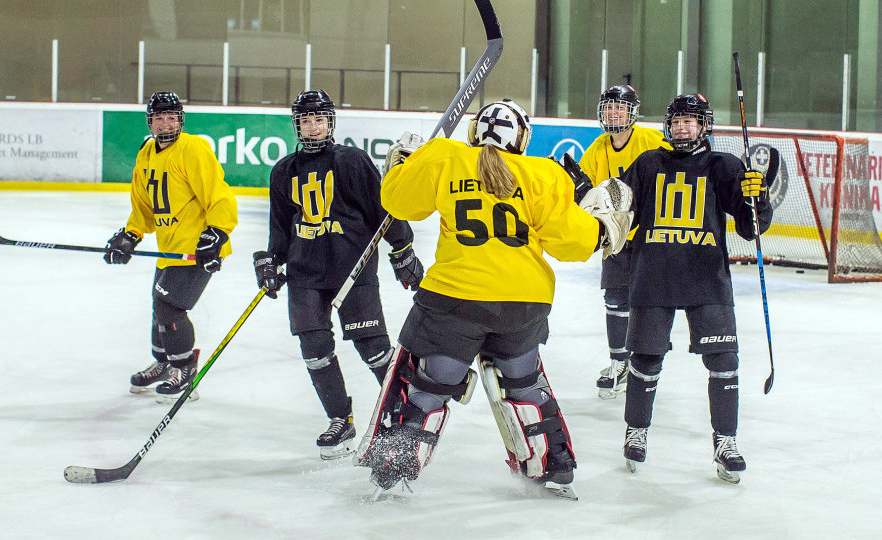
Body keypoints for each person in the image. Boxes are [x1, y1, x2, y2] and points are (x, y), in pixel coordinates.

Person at [354, 99, 634, 500]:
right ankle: (553, 467)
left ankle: (394, 466)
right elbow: (573, 243)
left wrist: (401, 163)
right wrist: (601, 226)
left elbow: (398, 203)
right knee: (524, 385)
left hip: (455, 300)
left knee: (431, 386)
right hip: (523, 304)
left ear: (474, 133)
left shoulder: (445, 156)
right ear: (521, 139)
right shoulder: (543, 173)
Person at [253, 89, 424, 460]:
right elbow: (280, 228)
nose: (313, 128)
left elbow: (384, 210)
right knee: (315, 351)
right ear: (296, 125)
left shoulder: (351, 161)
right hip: (304, 274)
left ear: (330, 121)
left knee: (374, 350)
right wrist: (270, 260)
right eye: (306, 120)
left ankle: (402, 412)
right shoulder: (283, 171)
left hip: (353, 268)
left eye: (319, 119)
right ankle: (339, 418)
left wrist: (402, 249)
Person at [617, 93, 773, 484]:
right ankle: (636, 431)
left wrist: (759, 198)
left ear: (705, 126)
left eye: (691, 120)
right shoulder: (648, 163)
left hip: (707, 279)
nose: (683, 127)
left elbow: (750, 227)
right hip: (653, 276)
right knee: (646, 360)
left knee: (724, 362)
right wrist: (589, 197)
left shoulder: (723, 165)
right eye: (677, 121)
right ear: (668, 126)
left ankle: (726, 442)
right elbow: (618, 212)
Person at [104, 91, 238, 404]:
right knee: (158, 306)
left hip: (199, 248)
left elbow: (219, 193)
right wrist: (131, 234)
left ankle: (184, 369)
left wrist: (217, 232)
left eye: (172, 116)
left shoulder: (192, 148)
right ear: (150, 121)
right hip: (170, 249)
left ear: (180, 120)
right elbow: (142, 202)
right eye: (160, 117)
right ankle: (164, 363)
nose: (166, 122)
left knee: (170, 307)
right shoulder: (147, 152)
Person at [579, 85, 671, 399]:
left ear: (632, 112)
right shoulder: (597, 148)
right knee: (615, 300)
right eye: (609, 108)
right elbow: (585, 189)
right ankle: (618, 363)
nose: (613, 113)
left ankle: (643, 363)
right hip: (615, 237)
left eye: (620, 108)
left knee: (645, 303)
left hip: (648, 237)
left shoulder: (651, 141)